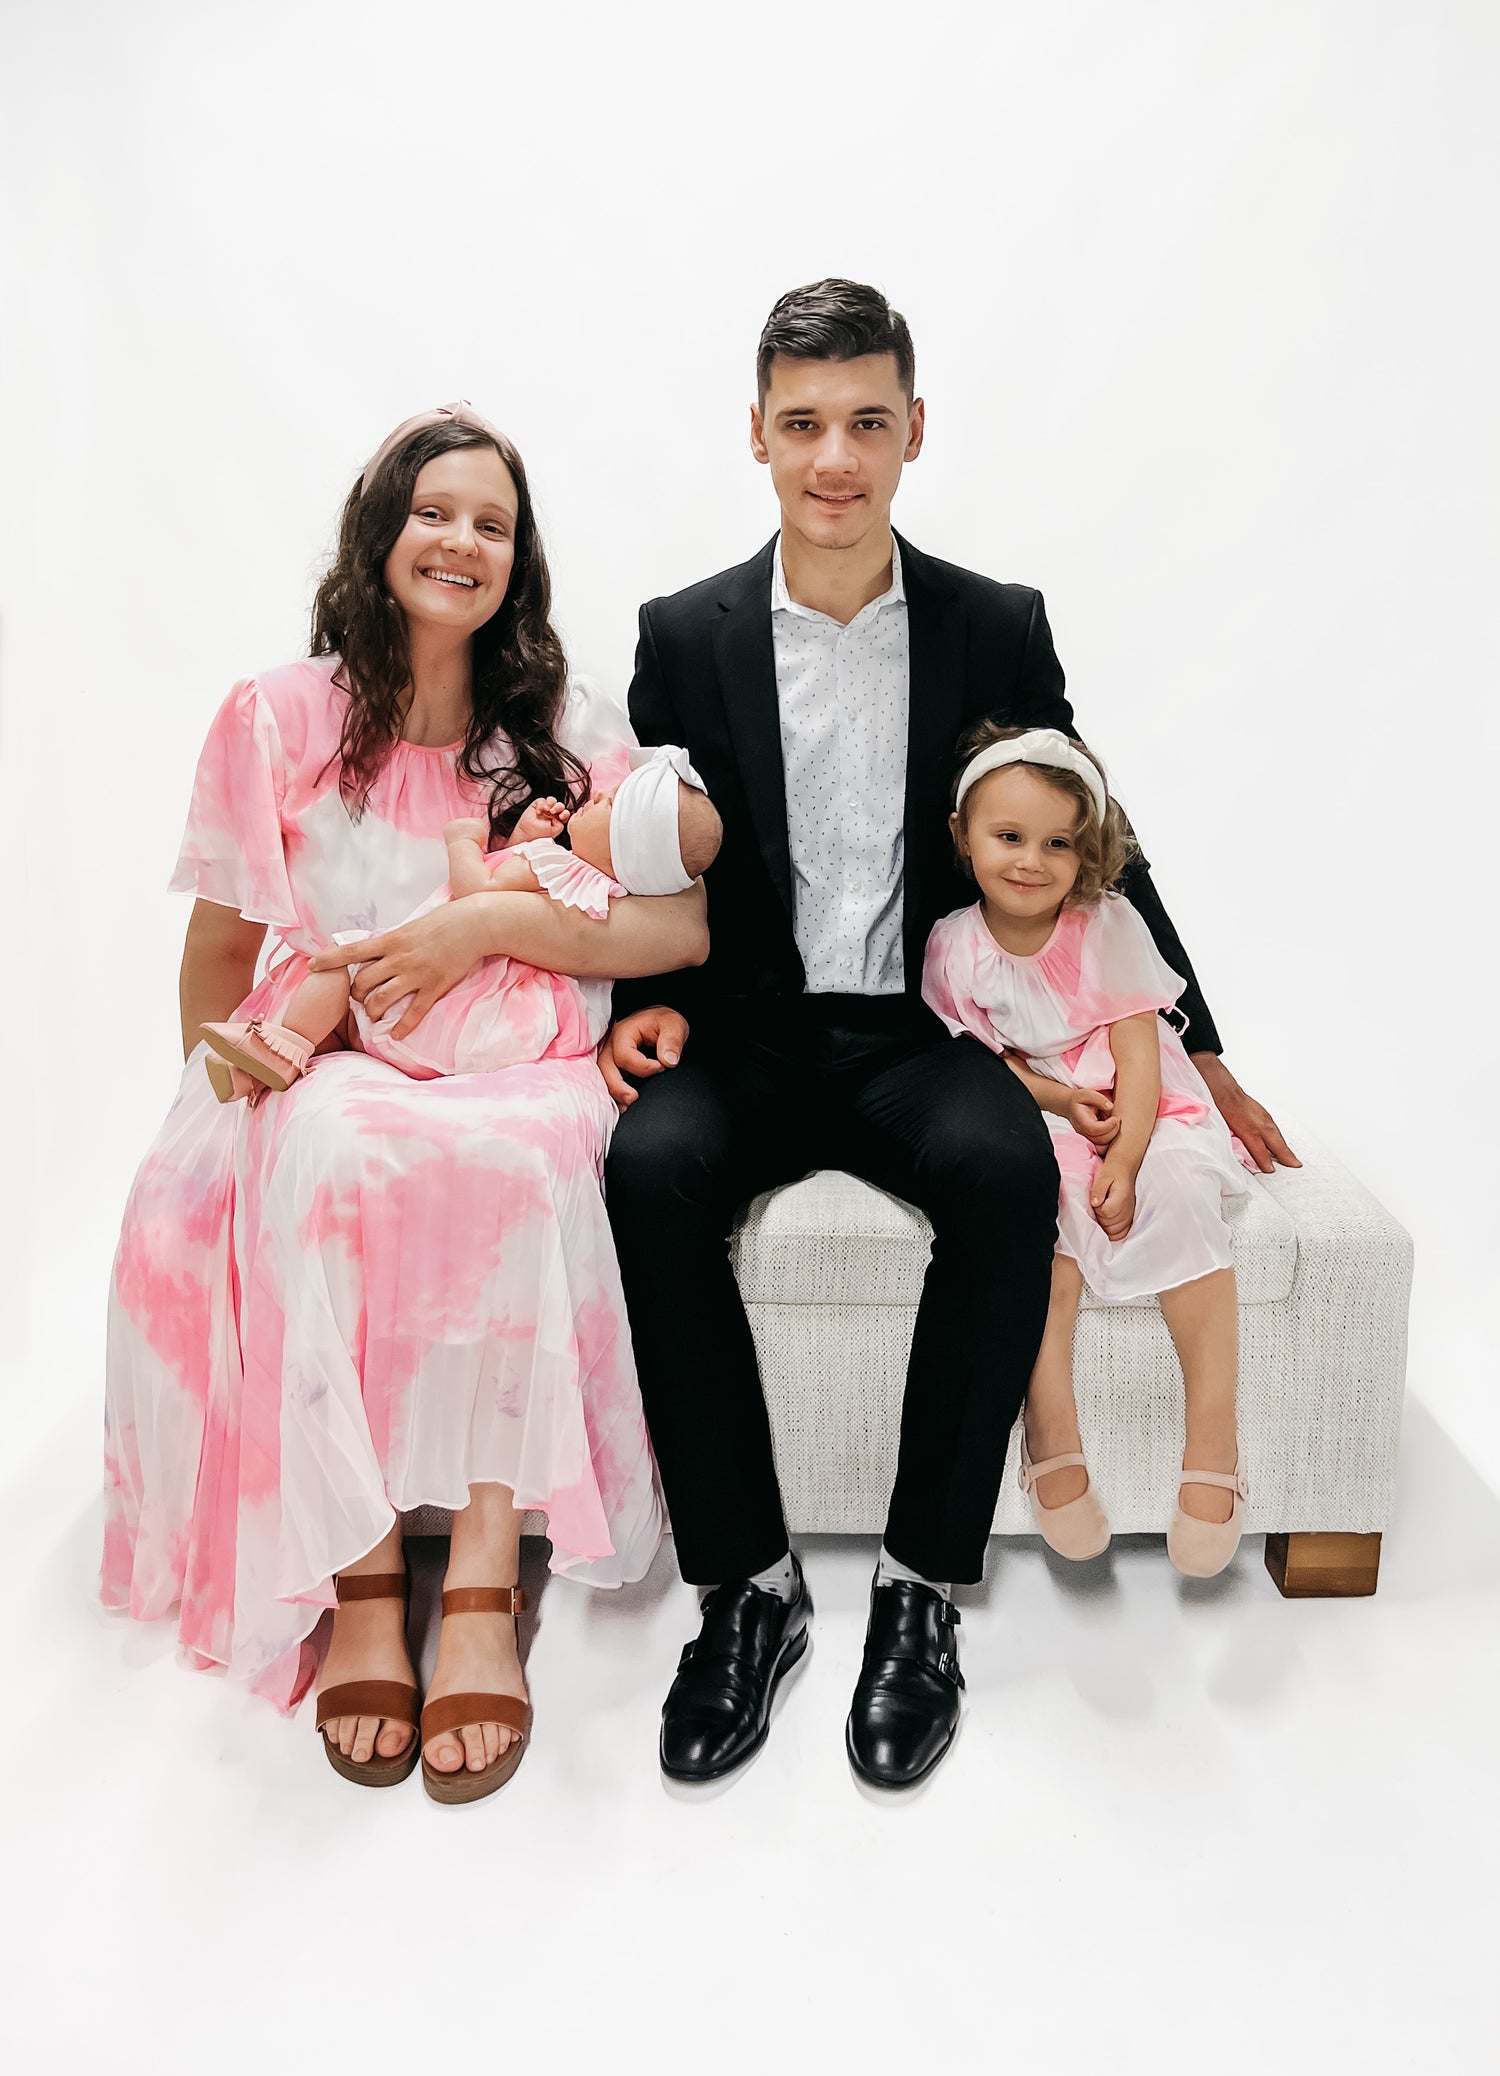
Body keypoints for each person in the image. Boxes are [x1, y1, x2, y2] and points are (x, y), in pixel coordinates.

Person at [597, 279, 1298, 1790]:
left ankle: (920, 1591)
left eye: (865, 420)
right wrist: (638, 1009)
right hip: (756, 1031)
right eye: (802, 425)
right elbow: (644, 850)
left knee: (1006, 1175)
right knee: (647, 1171)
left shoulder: (995, 624)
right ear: (758, 438)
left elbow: (1094, 830)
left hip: (931, 1030)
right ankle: (748, 1594)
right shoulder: (679, 633)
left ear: (915, 429)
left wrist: (1205, 1040)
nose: (833, 456)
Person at [103, 403, 707, 1805]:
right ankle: (365, 1574)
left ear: (519, 562)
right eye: (434, 511)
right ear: (380, 535)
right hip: (341, 1056)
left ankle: (487, 1578)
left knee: (526, 1164)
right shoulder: (280, 716)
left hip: (524, 1058)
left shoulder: (559, 731)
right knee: (328, 1149)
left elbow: (675, 934)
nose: (461, 541)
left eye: (492, 523)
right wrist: (224, 1073)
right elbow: (219, 948)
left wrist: (472, 939)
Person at [923, 723, 1252, 1577]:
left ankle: (1213, 1449)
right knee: (1041, 1220)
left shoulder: (1103, 923)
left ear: (1086, 852)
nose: (1032, 861)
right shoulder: (954, 945)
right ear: (964, 838)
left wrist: (1129, 1156)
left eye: (1058, 843)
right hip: (1044, 1104)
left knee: (1183, 1198)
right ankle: (1052, 1437)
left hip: (1142, 1104)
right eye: (1009, 838)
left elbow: (1139, 1052)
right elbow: (991, 1059)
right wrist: (1061, 1101)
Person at [196, 751, 720, 1101]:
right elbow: (522, 889)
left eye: (612, 804)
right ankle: (255, 1071)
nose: (598, 797)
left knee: (344, 965)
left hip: (457, 1004)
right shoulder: (605, 894)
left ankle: (281, 1048)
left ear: (627, 843)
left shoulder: (552, 866)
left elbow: (478, 891)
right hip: (509, 1034)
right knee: (356, 1016)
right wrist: (524, 836)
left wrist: (463, 844)